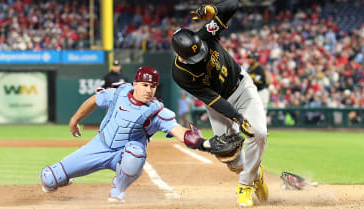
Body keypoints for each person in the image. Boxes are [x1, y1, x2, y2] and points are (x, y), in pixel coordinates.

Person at [40, 66, 205, 203]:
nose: (149, 90)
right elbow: (94, 101)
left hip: (123, 155)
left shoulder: (157, 112)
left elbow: (177, 129)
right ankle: (67, 177)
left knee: (136, 152)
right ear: (135, 84)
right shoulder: (118, 93)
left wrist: (197, 140)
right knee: (48, 178)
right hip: (99, 146)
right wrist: (74, 120)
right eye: (144, 85)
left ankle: (118, 191)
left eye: (152, 86)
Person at [170, 0, 268, 207]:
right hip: (219, 103)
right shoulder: (180, 75)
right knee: (228, 155)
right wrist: (238, 119)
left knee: (258, 133)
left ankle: (245, 185)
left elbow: (233, 4)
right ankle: (254, 173)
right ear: (181, 55)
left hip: (242, 88)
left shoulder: (206, 35)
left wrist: (213, 10)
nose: (201, 56)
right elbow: (213, 100)